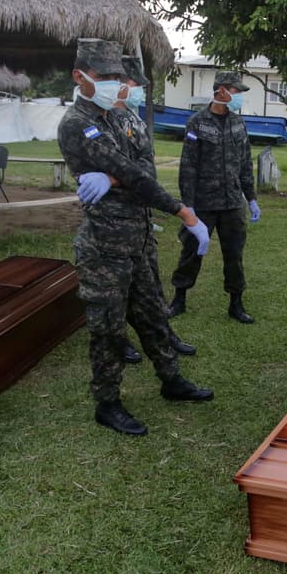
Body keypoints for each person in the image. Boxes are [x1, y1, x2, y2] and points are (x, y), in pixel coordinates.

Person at [57, 38, 213, 436]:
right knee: (108, 329)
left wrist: (113, 176)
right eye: (104, 77)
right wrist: (183, 211)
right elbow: (137, 174)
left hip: (139, 237)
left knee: (153, 316)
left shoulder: (118, 117)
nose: (114, 84)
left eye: (116, 77)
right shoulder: (78, 123)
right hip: (105, 246)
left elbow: (142, 167)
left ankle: (171, 381)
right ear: (80, 77)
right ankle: (107, 403)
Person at [112, 53, 198, 364]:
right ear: (120, 84)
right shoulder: (104, 122)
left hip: (142, 219)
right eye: (135, 84)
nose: (139, 90)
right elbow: (125, 174)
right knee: (118, 287)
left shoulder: (134, 119)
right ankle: (120, 340)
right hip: (116, 222)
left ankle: (165, 333)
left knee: (151, 280)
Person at [166, 70, 259, 324]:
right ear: (222, 91)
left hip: (232, 203)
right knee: (191, 251)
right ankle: (179, 298)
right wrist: (189, 206)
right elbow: (188, 166)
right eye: (236, 90)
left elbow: (245, 164)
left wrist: (250, 197)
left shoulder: (238, 123)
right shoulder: (197, 122)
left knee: (234, 254)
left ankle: (236, 303)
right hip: (203, 203)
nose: (238, 96)